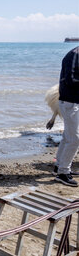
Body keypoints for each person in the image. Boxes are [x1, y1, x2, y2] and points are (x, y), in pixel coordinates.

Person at [54, 46, 79, 187]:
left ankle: (59, 165)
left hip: (71, 101)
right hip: (70, 102)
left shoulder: (75, 53)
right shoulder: (76, 54)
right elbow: (71, 79)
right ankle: (63, 173)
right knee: (75, 139)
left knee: (68, 136)